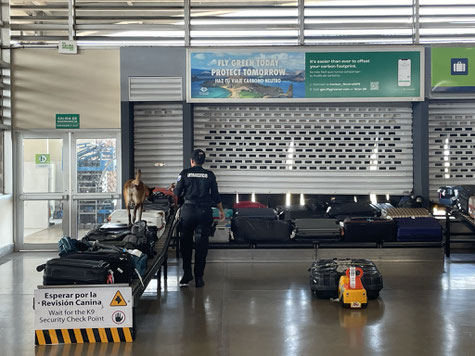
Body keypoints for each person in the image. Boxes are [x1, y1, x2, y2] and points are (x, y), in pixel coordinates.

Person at [173, 149, 225, 288]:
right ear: (203, 161)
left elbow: (176, 194)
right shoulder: (209, 175)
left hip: (188, 212)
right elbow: (215, 195)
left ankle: (187, 273)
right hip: (204, 212)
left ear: (192, 160)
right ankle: (199, 278)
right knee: (202, 246)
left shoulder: (184, 173)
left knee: (186, 244)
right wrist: (221, 210)